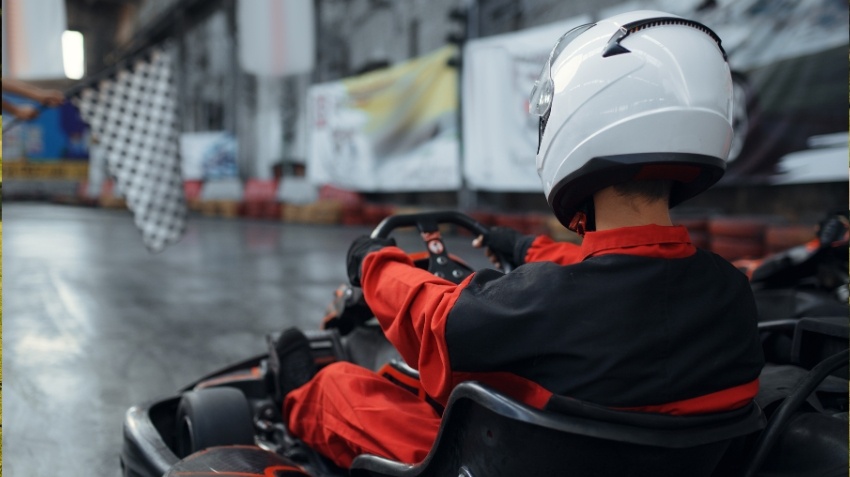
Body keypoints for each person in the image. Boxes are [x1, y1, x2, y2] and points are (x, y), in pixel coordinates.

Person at [277, 10, 765, 468]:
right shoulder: (730, 293)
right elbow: (625, 268)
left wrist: (372, 261)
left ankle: (295, 394)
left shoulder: (541, 305)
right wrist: (521, 248)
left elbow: (430, 321)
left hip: (522, 464)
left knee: (339, 387)